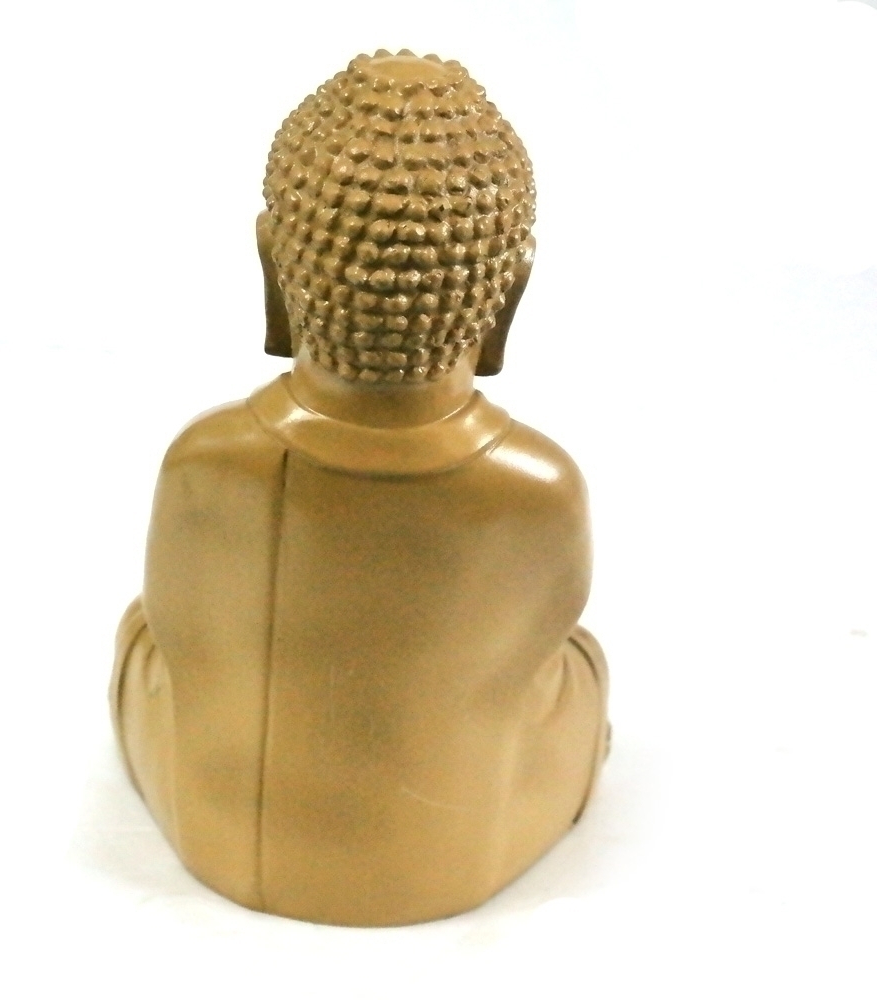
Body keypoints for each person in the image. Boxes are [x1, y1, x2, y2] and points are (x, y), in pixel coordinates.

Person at [111, 50, 609, 927]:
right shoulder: (540, 490)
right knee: (579, 664)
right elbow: (540, 654)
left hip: (215, 835)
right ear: (508, 296)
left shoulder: (203, 460)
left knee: (140, 634)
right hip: (453, 860)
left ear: (273, 270)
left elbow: (178, 643)